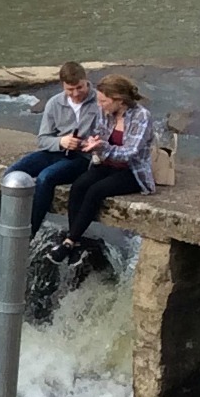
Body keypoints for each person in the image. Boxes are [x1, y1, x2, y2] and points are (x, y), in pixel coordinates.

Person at [51, 74, 155, 263]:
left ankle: (69, 242)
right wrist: (92, 141)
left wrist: (102, 147)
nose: (100, 105)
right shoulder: (105, 112)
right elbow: (99, 133)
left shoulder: (142, 116)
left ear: (119, 100)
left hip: (131, 171)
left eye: (103, 101)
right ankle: (76, 241)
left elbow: (130, 152)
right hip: (106, 164)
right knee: (79, 186)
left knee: (95, 191)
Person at [7, 62, 101, 236]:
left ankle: (29, 231)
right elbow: (43, 139)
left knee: (45, 178)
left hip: (81, 158)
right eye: (70, 89)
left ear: (86, 81)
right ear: (62, 86)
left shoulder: (100, 102)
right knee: (12, 172)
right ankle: (2, 221)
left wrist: (87, 144)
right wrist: (61, 141)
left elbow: (106, 135)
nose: (75, 93)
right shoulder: (54, 103)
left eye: (79, 88)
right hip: (55, 151)